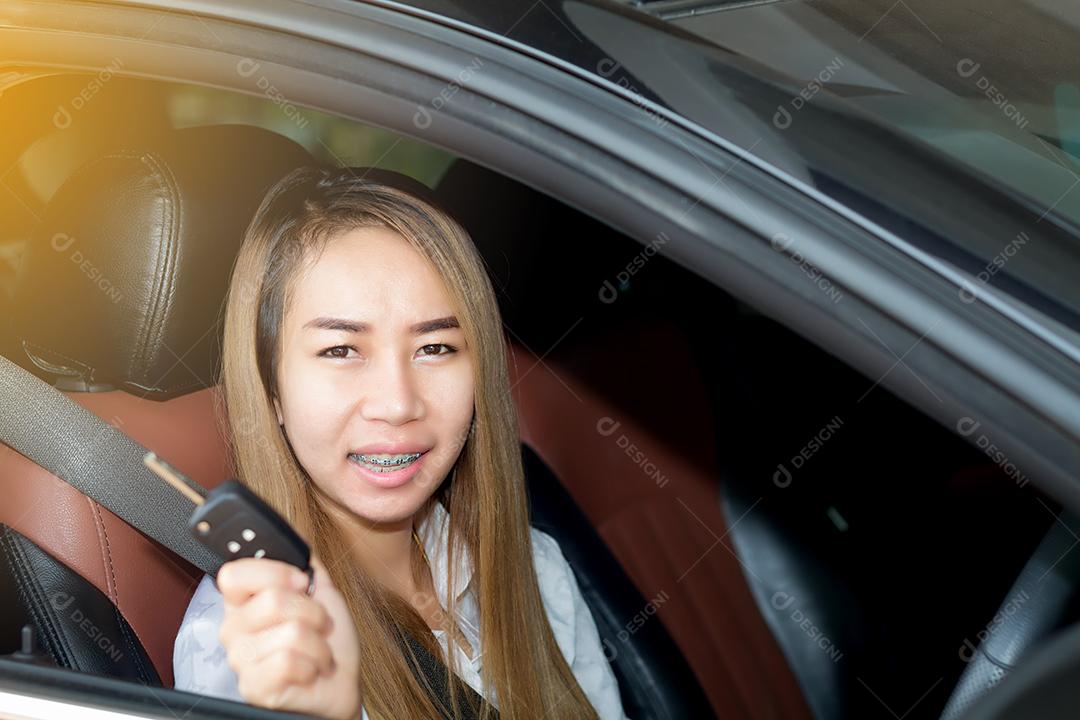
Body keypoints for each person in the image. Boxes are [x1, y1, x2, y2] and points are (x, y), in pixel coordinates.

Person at [171, 165, 630, 720]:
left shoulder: (535, 568)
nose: (397, 404)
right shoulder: (245, 647)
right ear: (271, 388)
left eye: (435, 347)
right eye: (341, 350)